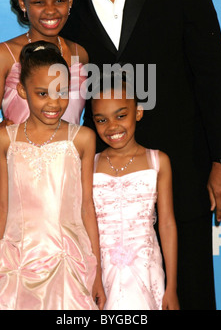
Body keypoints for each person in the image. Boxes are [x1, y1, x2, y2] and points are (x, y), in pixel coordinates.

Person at [60, 0, 221, 309]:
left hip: (181, 176)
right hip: (103, 195)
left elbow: (212, 76)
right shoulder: (63, 6)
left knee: (189, 297)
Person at [0, 41, 105, 310]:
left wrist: (98, 273)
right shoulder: (4, 139)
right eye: (42, 93)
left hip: (68, 261)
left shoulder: (83, 139)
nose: (54, 103)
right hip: (17, 263)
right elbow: (3, 211)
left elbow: (87, 207)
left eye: (62, 91)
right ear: (22, 90)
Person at [0, 0, 88, 266]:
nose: (50, 10)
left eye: (59, 0)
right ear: (23, 3)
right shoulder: (3, 55)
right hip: (17, 198)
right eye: (38, 1)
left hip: (67, 197)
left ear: (70, 1)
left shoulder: (80, 55)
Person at [91, 72, 179, 310]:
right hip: (100, 275)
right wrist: (95, 277)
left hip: (146, 271)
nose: (112, 126)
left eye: (121, 115)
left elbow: (167, 224)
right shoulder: (89, 164)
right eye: (101, 120)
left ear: (138, 112)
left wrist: (171, 287)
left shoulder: (158, 161)